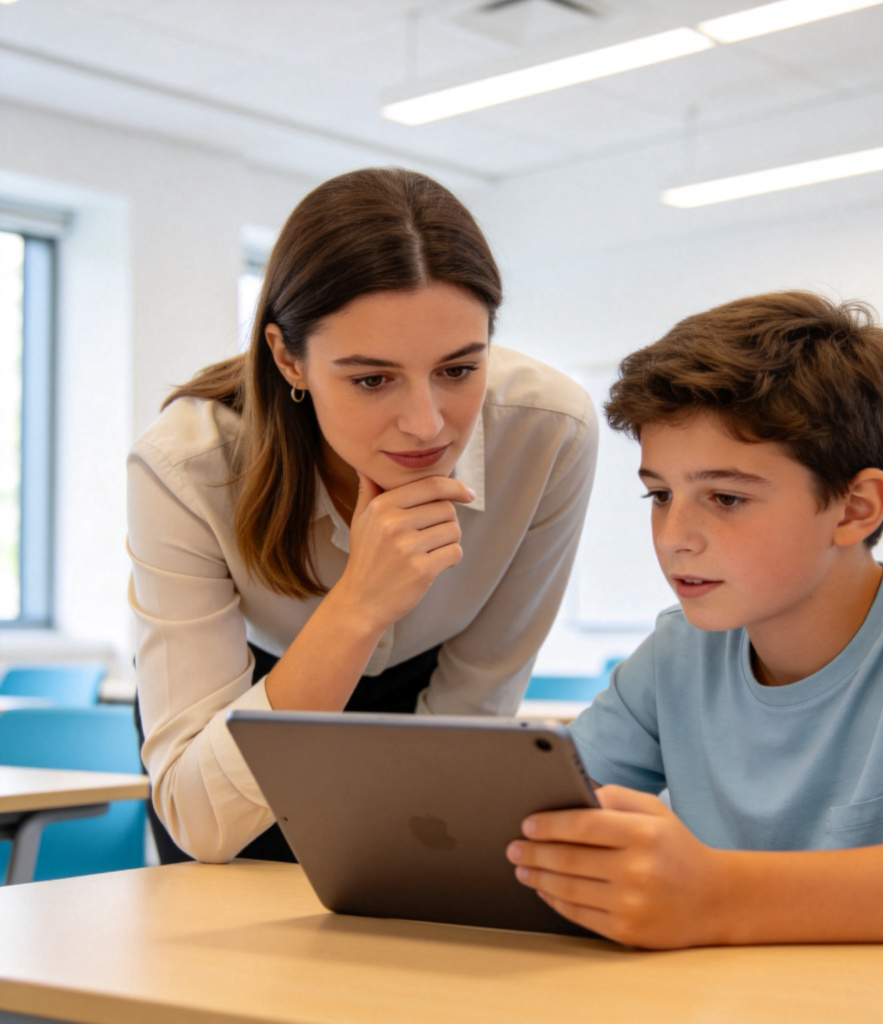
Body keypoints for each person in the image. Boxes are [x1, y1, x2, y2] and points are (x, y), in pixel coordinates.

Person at [506, 291, 883, 948]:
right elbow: (516, 827)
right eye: (660, 494)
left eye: (725, 498)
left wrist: (719, 898)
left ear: (855, 509)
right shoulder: (678, 653)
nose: (673, 537)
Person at [128, 167, 597, 864]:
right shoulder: (186, 465)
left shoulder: (549, 431)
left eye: (459, 370)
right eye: (372, 379)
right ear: (289, 358)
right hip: (251, 700)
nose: (426, 424)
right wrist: (359, 606)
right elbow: (200, 819)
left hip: (432, 705)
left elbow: (477, 697)